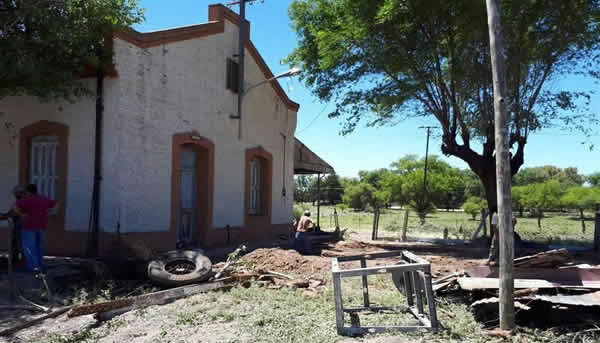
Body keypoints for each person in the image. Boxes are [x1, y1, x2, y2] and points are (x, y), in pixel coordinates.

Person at [13, 184, 57, 273]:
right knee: (39, 246)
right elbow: (56, 203)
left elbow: (14, 206)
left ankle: (33, 267)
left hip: (28, 226)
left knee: (29, 247)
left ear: (27, 191)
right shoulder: (43, 198)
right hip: (41, 226)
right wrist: (51, 213)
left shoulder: (26, 200)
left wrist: (22, 215)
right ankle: (40, 265)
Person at [0, 186, 27, 263]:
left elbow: (12, 213)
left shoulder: (21, 202)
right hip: (19, 225)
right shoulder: (22, 201)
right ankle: (16, 259)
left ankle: (22, 261)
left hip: (21, 226)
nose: (15, 195)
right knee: (15, 243)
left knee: (19, 243)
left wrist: (3, 216)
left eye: (16, 193)